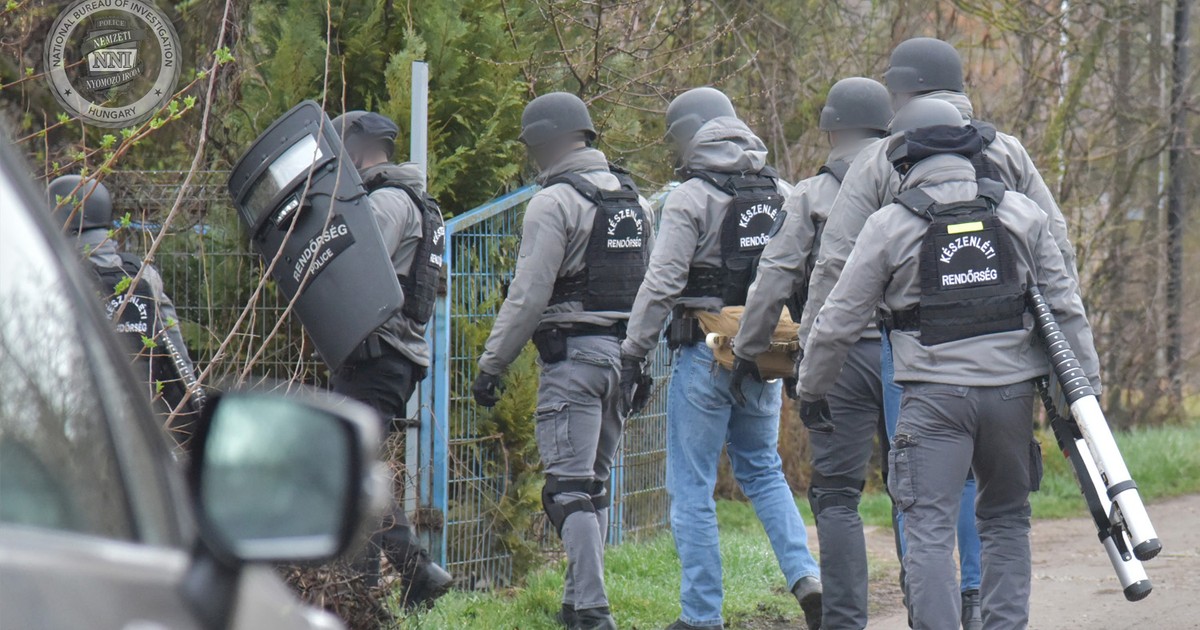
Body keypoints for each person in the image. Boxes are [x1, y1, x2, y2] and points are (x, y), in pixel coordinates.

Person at [799, 37, 1080, 629]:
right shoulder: (1015, 177)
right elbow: (1062, 280)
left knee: (925, 520)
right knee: (1006, 518)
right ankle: (986, 612)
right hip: (1011, 383)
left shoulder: (884, 184)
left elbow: (836, 283)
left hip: (925, 382)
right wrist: (1079, 387)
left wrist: (812, 381)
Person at [619, 86, 822, 630]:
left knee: (691, 486)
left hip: (703, 354)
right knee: (764, 470)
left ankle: (701, 616)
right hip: (767, 353)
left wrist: (634, 353)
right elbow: (804, 275)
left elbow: (661, 284)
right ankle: (806, 576)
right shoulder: (782, 190)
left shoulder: (690, 197)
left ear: (690, 137)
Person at [471, 92, 654, 630]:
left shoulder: (554, 203)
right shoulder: (637, 202)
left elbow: (528, 295)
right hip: (623, 358)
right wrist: (640, 361)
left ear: (543, 144)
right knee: (592, 485)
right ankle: (575, 608)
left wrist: (492, 364)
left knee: (567, 490)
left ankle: (594, 612)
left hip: (573, 361)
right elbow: (651, 288)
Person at [729, 77, 892, 629]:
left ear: (832, 130)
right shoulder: (909, 180)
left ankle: (844, 622)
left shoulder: (812, 194)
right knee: (917, 496)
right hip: (910, 356)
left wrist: (749, 351)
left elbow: (773, 278)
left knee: (837, 496)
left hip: (839, 359)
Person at [330, 110, 451, 608]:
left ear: (357, 149)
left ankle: (400, 578)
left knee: (353, 469)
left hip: (377, 355)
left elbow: (349, 265)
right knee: (357, 467)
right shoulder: (416, 202)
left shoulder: (385, 201)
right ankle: (372, 589)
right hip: (394, 357)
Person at [49, 174, 203, 448]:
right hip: (149, 421)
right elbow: (177, 354)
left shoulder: (58, 276)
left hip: (84, 423)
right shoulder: (142, 274)